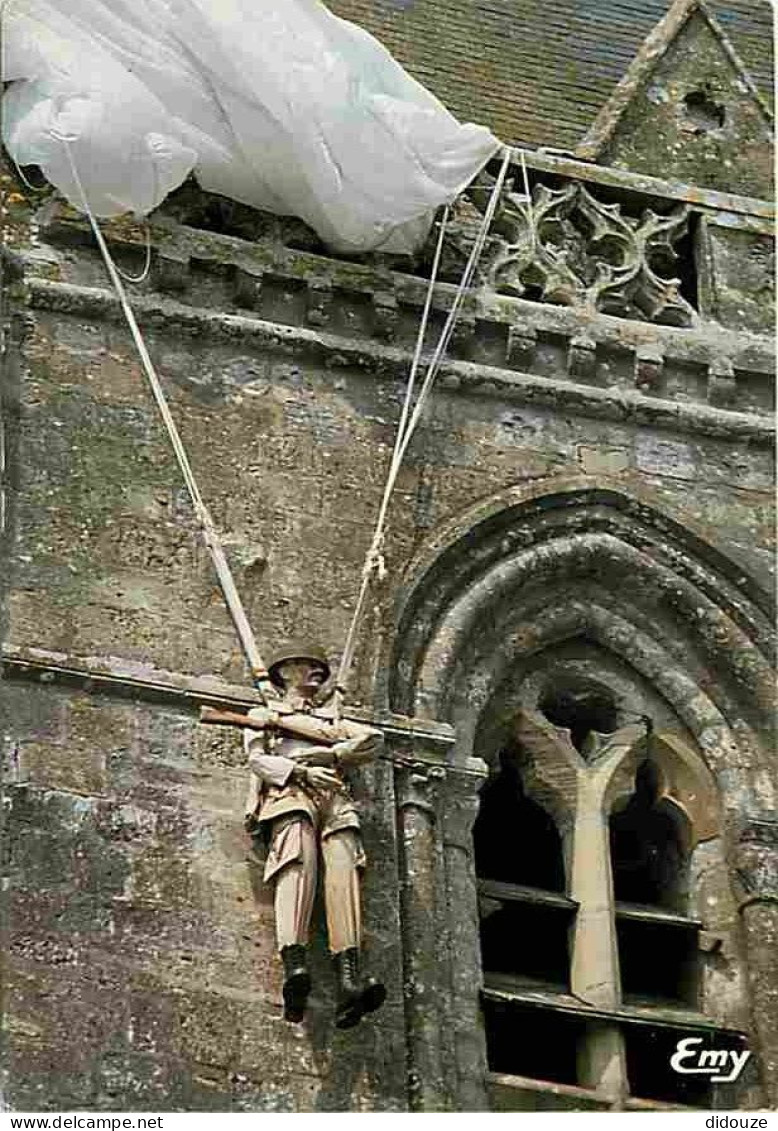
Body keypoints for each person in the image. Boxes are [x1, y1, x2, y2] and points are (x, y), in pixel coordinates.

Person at [244, 644, 385, 1028]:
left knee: (344, 869)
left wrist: (331, 756)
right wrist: (301, 771)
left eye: (320, 667)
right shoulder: (264, 715)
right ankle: (295, 965)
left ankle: (349, 980)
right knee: (296, 862)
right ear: (285, 672)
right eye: (308, 666)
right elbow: (258, 760)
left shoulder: (331, 720)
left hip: (335, 796)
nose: (318, 672)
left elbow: (372, 740)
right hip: (290, 791)